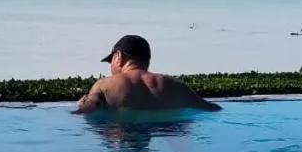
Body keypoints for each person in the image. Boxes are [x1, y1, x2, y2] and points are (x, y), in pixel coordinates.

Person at [75, 35, 221, 114]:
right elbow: (212, 109)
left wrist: (81, 106)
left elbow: (88, 111)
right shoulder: (177, 86)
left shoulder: (105, 85)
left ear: (118, 56)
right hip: (166, 131)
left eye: (110, 60)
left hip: (122, 132)